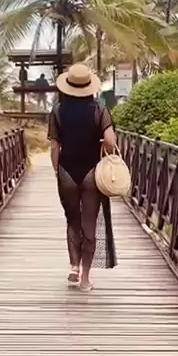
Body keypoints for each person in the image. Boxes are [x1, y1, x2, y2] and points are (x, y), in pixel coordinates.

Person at [48, 63, 117, 292]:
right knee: (89, 225)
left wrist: (57, 171)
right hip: (91, 171)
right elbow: (110, 141)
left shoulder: (57, 110)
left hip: (67, 170)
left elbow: (54, 146)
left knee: (72, 221)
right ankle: (85, 279)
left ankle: (74, 266)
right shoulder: (99, 110)